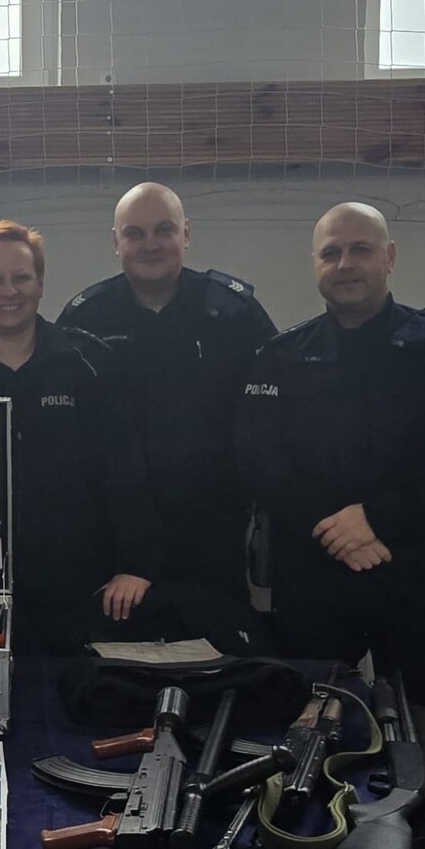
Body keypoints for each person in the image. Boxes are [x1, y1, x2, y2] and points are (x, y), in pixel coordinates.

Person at [236, 202, 425, 772]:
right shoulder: (281, 357)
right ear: (315, 263)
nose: (345, 264)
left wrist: (377, 519)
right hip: (314, 579)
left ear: (389, 256)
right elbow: (259, 460)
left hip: (413, 571)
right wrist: (335, 529)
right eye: (331, 252)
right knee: (304, 743)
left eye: (360, 249)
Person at [0, 219, 155, 650]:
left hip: (77, 587)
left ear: (40, 283)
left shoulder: (90, 364)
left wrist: (137, 564)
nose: (9, 291)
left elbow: (124, 471)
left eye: (21, 277)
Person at [57, 182, 278, 604]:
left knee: (218, 639)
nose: (150, 244)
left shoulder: (235, 313)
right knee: (115, 642)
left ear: (186, 233)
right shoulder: (86, 319)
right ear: (115, 242)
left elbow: (271, 410)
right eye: (134, 233)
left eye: (164, 230)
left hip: (212, 530)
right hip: (112, 535)